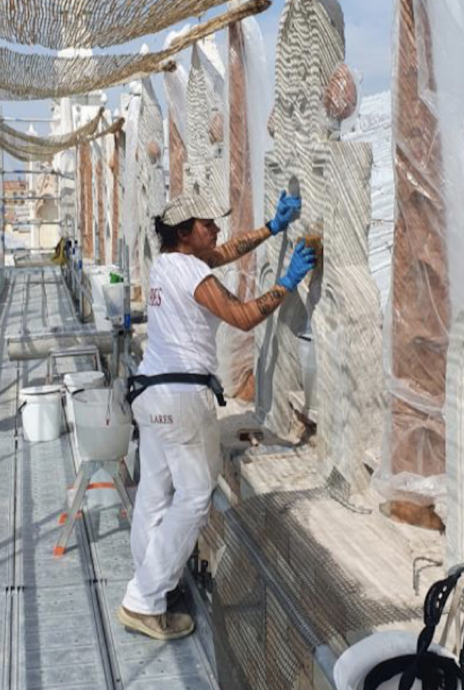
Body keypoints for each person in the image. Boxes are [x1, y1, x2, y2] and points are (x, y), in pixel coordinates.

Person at [117, 191, 316, 640]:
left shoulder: (167, 263)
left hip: (151, 394)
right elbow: (243, 317)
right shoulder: (192, 271)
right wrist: (288, 281)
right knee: (193, 496)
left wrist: (272, 228)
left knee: (154, 493)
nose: (217, 230)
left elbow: (223, 253)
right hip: (181, 401)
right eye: (208, 225)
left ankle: (151, 580)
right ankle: (144, 599)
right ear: (185, 233)